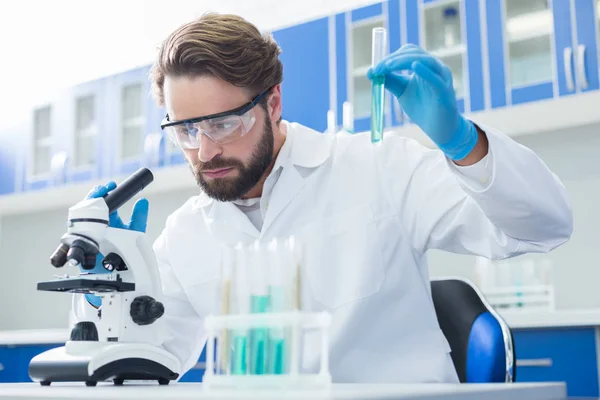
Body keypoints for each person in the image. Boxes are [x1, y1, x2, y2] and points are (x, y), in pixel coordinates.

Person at [73, 13, 573, 383]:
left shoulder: (378, 167)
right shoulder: (186, 231)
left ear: (273, 102)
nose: (205, 150)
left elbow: (541, 226)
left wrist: (463, 143)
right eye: (185, 131)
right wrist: (116, 282)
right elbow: (145, 363)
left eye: (225, 123)